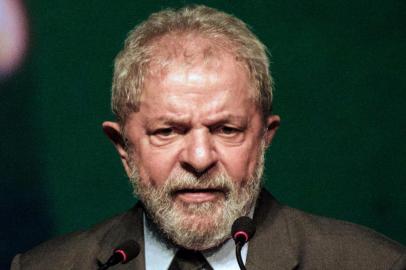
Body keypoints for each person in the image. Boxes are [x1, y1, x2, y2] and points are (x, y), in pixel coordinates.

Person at [11, 5, 406, 270]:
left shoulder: (371, 263)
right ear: (123, 147)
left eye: (226, 130)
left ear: (265, 137)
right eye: (168, 131)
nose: (200, 158)